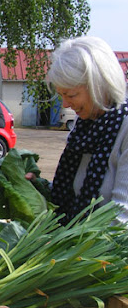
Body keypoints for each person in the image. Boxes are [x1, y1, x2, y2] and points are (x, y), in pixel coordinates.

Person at [40, 36, 128, 224]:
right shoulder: (84, 126)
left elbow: (121, 217)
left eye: (71, 95)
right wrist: (39, 186)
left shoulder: (124, 127)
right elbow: (74, 191)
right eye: (61, 95)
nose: (65, 104)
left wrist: (75, 250)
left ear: (99, 86)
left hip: (107, 249)